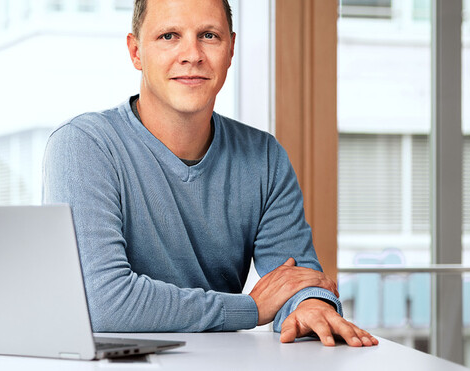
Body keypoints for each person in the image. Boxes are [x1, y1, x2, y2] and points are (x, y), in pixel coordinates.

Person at [43, 0, 378, 347]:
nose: (192, 54)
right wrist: (249, 309)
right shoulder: (83, 146)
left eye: (209, 35)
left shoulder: (264, 157)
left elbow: (295, 277)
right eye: (169, 35)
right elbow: (102, 303)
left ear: (230, 49)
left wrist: (309, 304)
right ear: (136, 51)